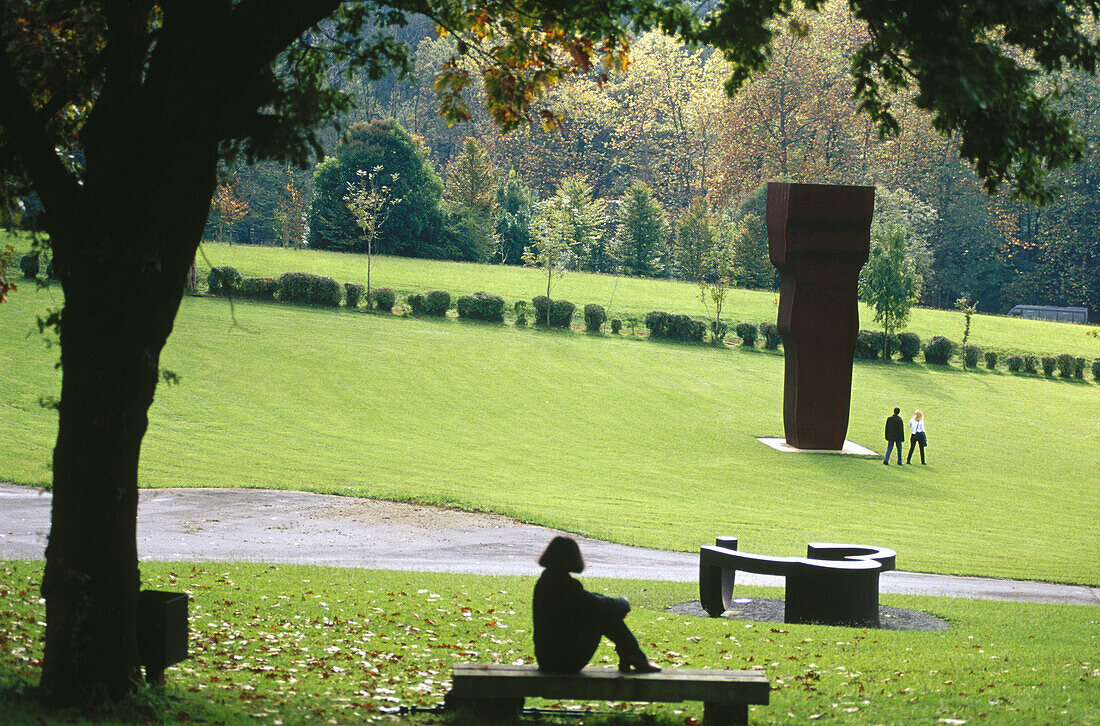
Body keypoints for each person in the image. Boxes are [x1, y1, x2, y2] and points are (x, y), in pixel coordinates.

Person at [532, 536, 660, 674]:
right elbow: (597, 605)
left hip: (549, 659)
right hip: (561, 662)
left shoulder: (549, 581)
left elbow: (591, 600)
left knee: (602, 611)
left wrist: (612, 605)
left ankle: (631, 655)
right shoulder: (562, 585)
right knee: (603, 616)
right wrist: (622, 604)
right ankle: (633, 655)